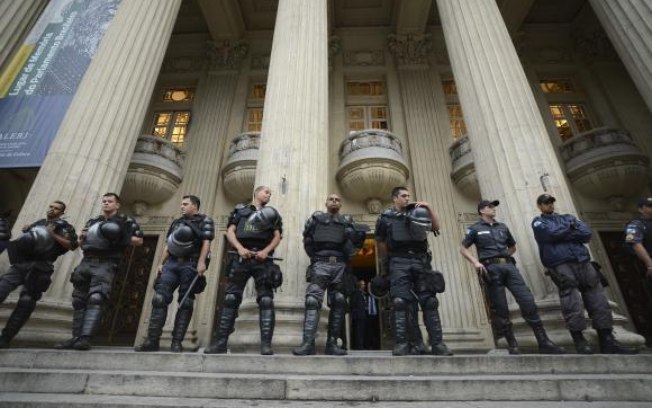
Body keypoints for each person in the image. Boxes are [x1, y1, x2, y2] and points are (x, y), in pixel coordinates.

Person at [532, 193, 636, 354]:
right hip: (560, 264)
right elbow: (549, 235)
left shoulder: (568, 217)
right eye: (546, 203)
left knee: (599, 300)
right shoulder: (539, 222)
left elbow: (586, 233)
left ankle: (607, 340)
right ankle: (580, 341)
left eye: (552, 202)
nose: (550, 205)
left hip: (583, 261)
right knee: (572, 302)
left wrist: (563, 232)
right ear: (540, 206)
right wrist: (570, 229)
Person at [460, 199, 564, 354]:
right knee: (500, 307)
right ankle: (512, 345)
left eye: (494, 207)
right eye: (490, 207)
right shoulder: (474, 229)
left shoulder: (502, 227)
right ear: (482, 210)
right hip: (491, 268)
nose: (493, 209)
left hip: (509, 266)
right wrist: (476, 263)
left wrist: (504, 257)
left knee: (527, 300)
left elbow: (512, 246)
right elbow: (463, 248)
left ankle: (544, 341)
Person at [56, 193, 143, 350]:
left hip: (106, 262)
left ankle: (85, 339)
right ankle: (75, 337)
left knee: (96, 298)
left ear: (117, 205)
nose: (106, 204)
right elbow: (82, 245)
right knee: (78, 300)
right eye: (104, 201)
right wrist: (83, 238)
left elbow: (138, 240)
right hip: (86, 261)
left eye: (110, 201)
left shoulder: (125, 221)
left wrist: (115, 235)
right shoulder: (93, 221)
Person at [205, 186, 283, 355]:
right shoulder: (240, 211)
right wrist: (240, 248)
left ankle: (266, 345)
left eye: (270, 193)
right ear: (256, 192)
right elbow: (230, 232)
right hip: (241, 258)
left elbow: (277, 236)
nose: (268, 195)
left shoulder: (272, 214)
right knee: (231, 298)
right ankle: (220, 344)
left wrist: (266, 251)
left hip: (263, 260)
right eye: (266, 192)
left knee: (266, 301)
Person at [375, 186, 452, 356]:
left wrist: (429, 207)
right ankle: (403, 344)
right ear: (394, 198)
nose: (407, 199)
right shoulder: (386, 217)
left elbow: (435, 226)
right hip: (398, 261)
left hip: (420, 261)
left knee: (430, 302)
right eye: (403, 196)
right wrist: (387, 263)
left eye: (408, 196)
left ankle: (437, 344)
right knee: (400, 302)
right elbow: (380, 242)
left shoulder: (419, 212)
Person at [135, 195, 214, 352]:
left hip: (191, 264)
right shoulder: (177, 222)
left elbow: (206, 242)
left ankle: (177, 342)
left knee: (185, 303)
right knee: (159, 299)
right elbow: (168, 244)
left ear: (195, 206)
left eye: (185, 204)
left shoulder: (205, 221)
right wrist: (160, 263)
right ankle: (152, 341)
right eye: (181, 204)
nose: (182, 207)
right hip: (171, 264)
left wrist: (201, 262)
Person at [293, 193, 366, 356]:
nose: (334, 201)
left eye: (337, 199)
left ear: (341, 204)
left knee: (339, 301)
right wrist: (317, 258)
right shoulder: (316, 219)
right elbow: (307, 241)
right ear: (326, 203)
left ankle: (332, 344)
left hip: (340, 265)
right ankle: (307, 343)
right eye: (331, 199)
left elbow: (354, 247)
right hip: (320, 263)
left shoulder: (347, 222)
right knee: (312, 300)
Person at [0, 201, 78, 348]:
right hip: (20, 264)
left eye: (56, 209)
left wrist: (52, 234)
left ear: (62, 212)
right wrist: (27, 230)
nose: (52, 210)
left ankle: (5, 338)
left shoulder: (65, 226)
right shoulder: (39, 222)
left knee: (26, 302)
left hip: (41, 267)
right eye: (51, 207)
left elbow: (72, 245)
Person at [624, 197, 652, 289]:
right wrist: (649, 264)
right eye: (650, 206)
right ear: (641, 209)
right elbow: (635, 243)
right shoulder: (635, 224)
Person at [350, 279, 368, 350]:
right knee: (358, 331)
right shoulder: (356, 293)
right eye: (363, 284)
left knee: (362, 331)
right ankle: (359, 346)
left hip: (363, 315)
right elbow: (353, 304)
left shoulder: (363, 293)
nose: (364, 286)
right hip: (358, 316)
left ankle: (361, 345)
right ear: (359, 285)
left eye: (364, 284)